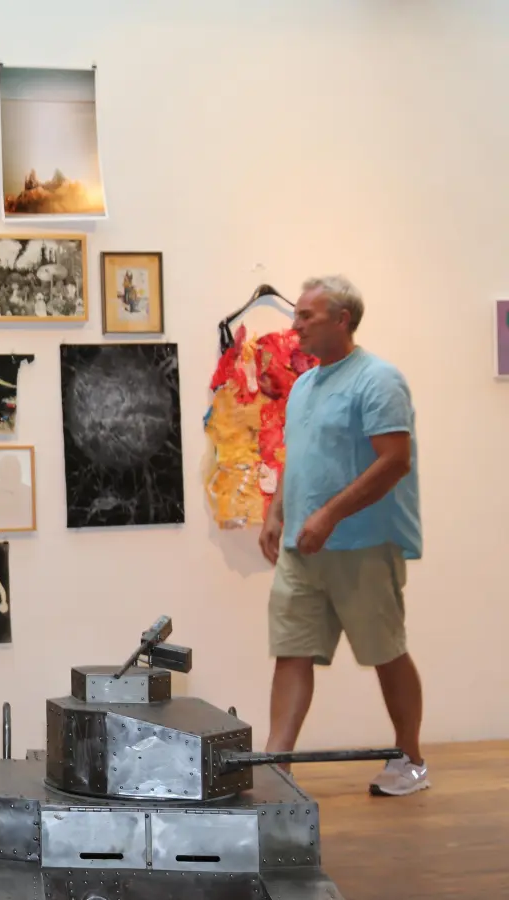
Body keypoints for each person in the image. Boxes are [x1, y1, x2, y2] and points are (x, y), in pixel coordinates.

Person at [259, 275, 427, 796]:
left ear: (342, 320)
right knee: (292, 650)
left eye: (306, 316)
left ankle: (410, 760)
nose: (295, 325)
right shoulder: (305, 384)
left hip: (363, 546)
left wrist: (329, 515)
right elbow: (296, 456)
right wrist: (276, 511)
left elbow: (394, 461)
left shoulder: (378, 379)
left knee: (384, 650)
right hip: (301, 549)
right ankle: (277, 766)